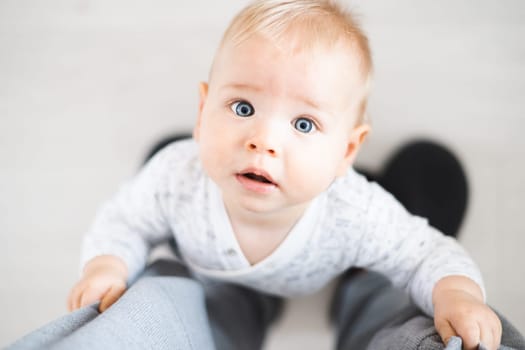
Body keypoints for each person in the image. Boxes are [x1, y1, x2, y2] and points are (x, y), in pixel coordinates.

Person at [9, 1, 519, 349]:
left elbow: (425, 252)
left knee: (405, 285)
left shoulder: (354, 211)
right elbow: (125, 220)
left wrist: (457, 293)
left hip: (336, 252)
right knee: (192, 297)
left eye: (303, 123)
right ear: (203, 107)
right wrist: (107, 265)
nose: (264, 141)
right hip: (216, 276)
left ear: (347, 150)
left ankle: (363, 285)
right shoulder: (177, 178)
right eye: (243, 107)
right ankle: (245, 308)